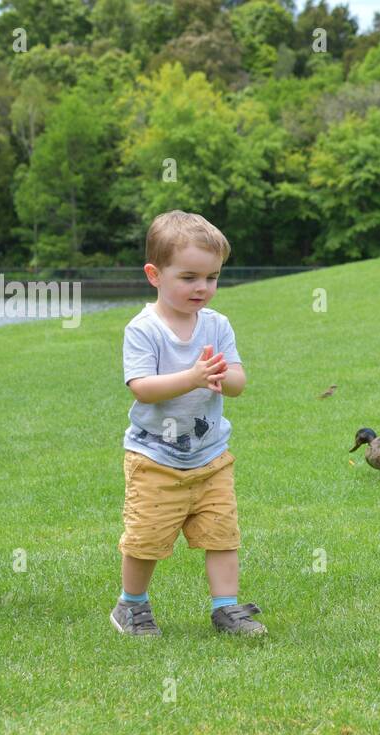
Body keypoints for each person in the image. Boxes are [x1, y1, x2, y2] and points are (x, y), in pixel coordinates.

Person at [112, 210, 265, 638]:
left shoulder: (217, 325)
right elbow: (142, 387)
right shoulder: (144, 329)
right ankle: (132, 606)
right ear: (154, 274)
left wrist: (223, 378)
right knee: (145, 539)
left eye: (212, 277)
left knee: (222, 534)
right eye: (189, 277)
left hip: (211, 456)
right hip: (155, 458)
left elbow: (237, 381)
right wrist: (193, 378)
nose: (202, 288)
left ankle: (227, 608)